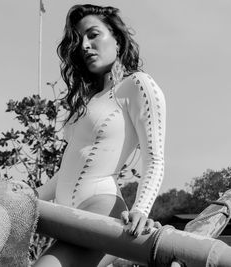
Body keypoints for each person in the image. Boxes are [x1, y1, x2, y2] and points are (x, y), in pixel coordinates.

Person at [34, 4, 166, 267]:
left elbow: (155, 158)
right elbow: (70, 166)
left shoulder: (138, 84)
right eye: (79, 39)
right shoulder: (90, 99)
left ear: (116, 39)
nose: (84, 45)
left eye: (93, 35)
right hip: (67, 217)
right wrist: (30, 195)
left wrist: (141, 210)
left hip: (101, 211)